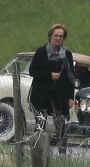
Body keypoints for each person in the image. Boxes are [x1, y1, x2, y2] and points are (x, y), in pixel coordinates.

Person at [27, 23, 77, 153]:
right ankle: (39, 152)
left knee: (61, 125)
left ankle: (62, 153)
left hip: (60, 95)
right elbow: (32, 71)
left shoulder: (67, 54)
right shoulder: (41, 52)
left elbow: (71, 77)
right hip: (41, 94)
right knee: (40, 124)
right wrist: (49, 75)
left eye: (61, 36)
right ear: (50, 36)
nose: (58, 38)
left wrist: (71, 97)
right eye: (56, 35)